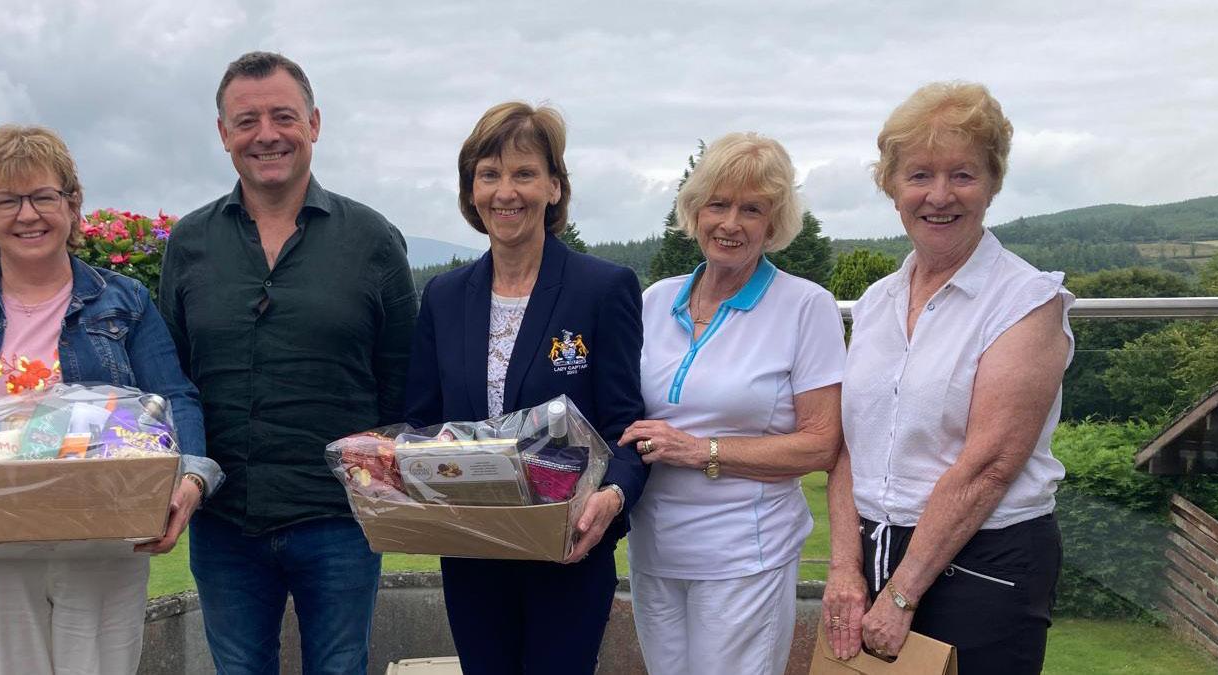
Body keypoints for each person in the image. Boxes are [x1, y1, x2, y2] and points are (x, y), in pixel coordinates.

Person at [0, 124, 222, 675]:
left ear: (72, 205)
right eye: (7, 200)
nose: (27, 215)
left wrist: (191, 477)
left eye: (43, 197)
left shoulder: (125, 301)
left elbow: (174, 398)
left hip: (103, 544)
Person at [158, 51, 417, 674]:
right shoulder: (190, 243)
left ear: (314, 123)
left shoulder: (372, 239)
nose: (266, 135)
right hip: (224, 521)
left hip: (339, 520)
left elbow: (402, 377)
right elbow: (174, 381)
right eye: (246, 121)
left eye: (283, 116)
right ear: (223, 133)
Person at [823, 81, 1073, 674]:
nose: (939, 196)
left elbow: (990, 465)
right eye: (919, 175)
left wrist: (902, 594)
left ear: (992, 184)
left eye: (962, 175)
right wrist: (844, 567)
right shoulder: (876, 302)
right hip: (875, 551)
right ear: (892, 187)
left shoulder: (1026, 302)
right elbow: (851, 443)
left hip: (985, 560)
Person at [404, 101, 646, 674]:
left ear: (554, 187)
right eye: (488, 174)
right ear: (471, 192)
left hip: (568, 550)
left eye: (524, 173)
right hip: (472, 552)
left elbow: (626, 429)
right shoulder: (444, 296)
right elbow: (420, 420)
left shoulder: (602, 288)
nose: (505, 192)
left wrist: (612, 498)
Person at [618, 132, 846, 674]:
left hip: (745, 556)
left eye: (752, 209)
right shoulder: (654, 300)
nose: (730, 223)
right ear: (695, 211)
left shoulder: (805, 306)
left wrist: (701, 450)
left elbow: (821, 444)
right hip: (654, 551)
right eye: (718, 205)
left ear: (774, 222)